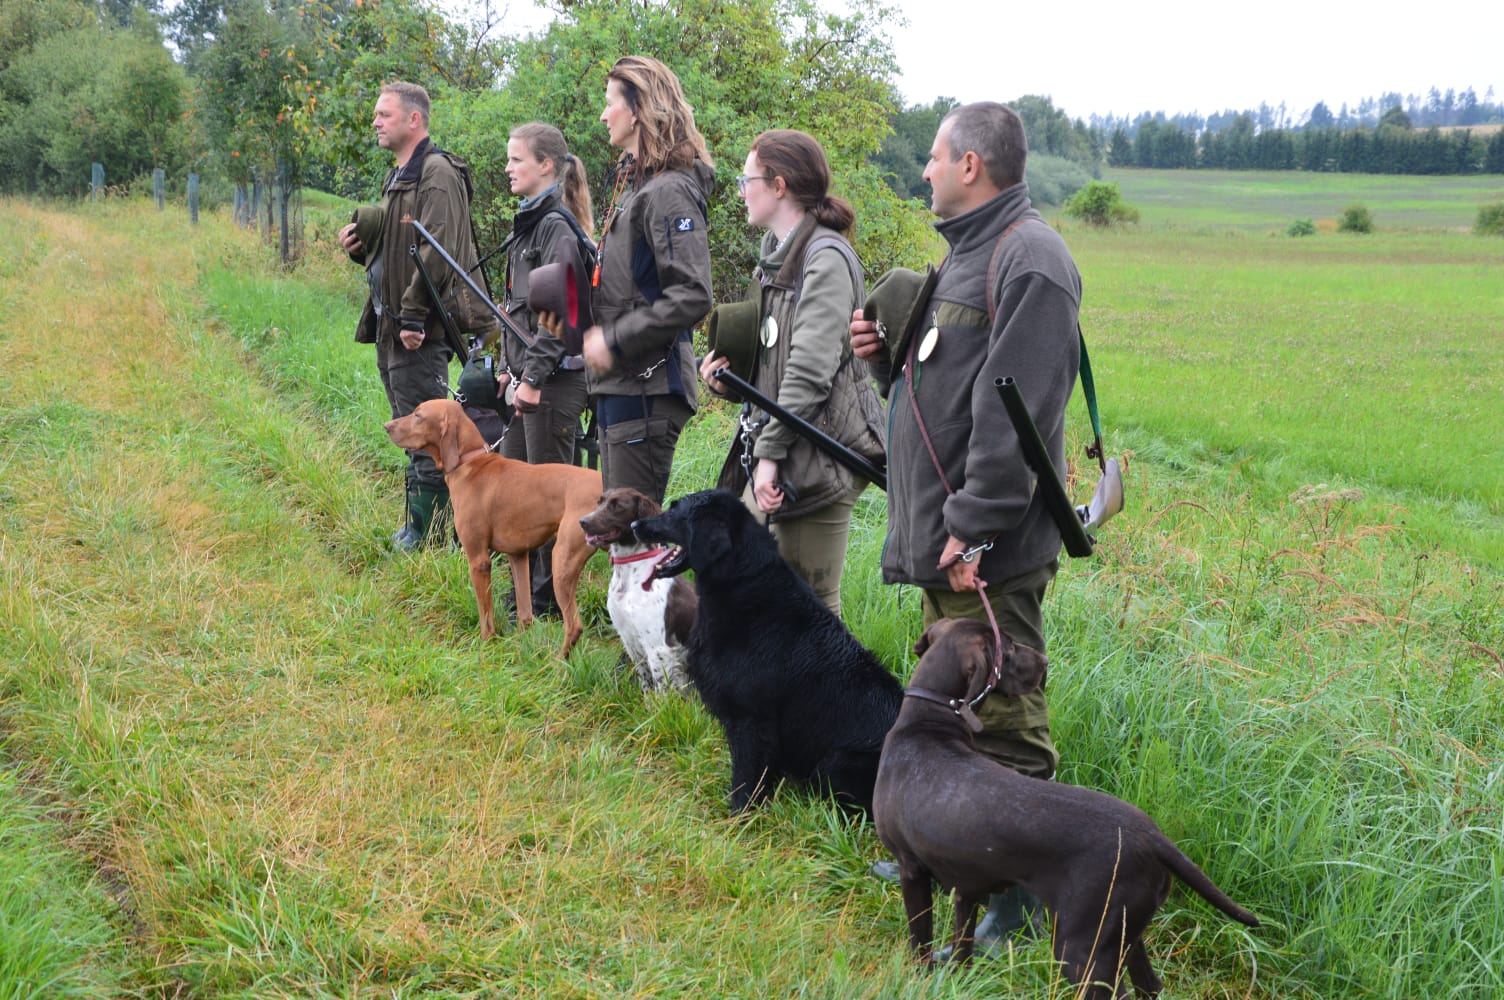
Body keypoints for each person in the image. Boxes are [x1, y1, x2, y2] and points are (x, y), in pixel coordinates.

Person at [850, 102, 1082, 948]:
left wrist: (975, 527)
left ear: (971, 165)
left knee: (1007, 713)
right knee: (955, 707)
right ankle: (955, 852)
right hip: (948, 540)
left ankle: (1019, 894)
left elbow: (1016, 411)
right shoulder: (967, 254)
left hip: (986, 547)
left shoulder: (1031, 260)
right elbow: (944, 390)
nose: (925, 171)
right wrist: (885, 361)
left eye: (935, 157)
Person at [699, 129, 884, 615]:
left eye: (747, 180)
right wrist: (728, 381)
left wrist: (768, 456)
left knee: (810, 612)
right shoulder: (776, 253)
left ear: (778, 185)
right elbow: (773, 364)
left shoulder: (825, 258)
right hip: (785, 447)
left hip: (820, 454)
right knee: (759, 601)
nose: (741, 191)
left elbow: (808, 373)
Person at [339, 80, 497, 551]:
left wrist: (412, 315)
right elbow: (399, 250)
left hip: (420, 330)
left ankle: (432, 537)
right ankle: (418, 527)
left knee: (427, 435)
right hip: (391, 325)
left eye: (383, 114)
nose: (375, 122)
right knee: (407, 429)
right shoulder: (399, 175)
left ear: (413, 119)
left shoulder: (437, 173)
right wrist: (359, 247)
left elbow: (437, 251)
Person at [547, 55, 712, 505]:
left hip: (647, 388)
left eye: (610, 103)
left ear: (637, 109)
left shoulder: (669, 191)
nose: (604, 115)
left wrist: (614, 340)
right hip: (622, 384)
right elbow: (629, 285)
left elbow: (694, 293)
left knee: (632, 532)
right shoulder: (636, 186)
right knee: (621, 530)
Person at [494, 122, 596, 615]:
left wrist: (532, 377)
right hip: (528, 380)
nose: (507, 168)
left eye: (516, 159)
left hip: (554, 384)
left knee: (549, 502)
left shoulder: (555, 227)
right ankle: (523, 603)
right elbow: (519, 310)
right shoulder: (529, 225)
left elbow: (561, 313)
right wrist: (507, 368)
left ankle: (551, 604)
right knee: (516, 497)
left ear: (546, 165)